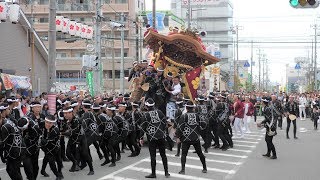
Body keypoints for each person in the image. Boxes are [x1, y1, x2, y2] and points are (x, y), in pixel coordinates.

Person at [139, 98, 170, 178]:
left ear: (146, 106)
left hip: (152, 138)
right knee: (163, 155)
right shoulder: (159, 112)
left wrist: (141, 138)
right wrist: (162, 131)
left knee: (153, 156)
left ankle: (153, 173)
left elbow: (142, 128)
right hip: (161, 136)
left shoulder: (145, 115)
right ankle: (166, 172)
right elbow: (164, 123)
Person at [175, 101, 207, 174]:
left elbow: (180, 128)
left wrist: (178, 136)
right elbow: (203, 124)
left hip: (186, 138)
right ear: (193, 108)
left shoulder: (184, 116)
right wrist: (199, 130)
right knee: (200, 154)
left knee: (184, 154)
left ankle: (183, 170)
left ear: (186, 107)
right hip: (195, 138)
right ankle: (204, 168)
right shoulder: (197, 115)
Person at [0, 102, 25, 180]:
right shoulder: (7, 121)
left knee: (12, 171)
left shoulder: (5, 125)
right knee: (14, 171)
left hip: (14, 151)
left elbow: (2, 143)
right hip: (17, 149)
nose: (9, 110)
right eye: (8, 109)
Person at [39, 115, 64, 180]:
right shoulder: (41, 124)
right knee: (50, 161)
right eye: (46, 122)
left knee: (58, 160)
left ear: (53, 123)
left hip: (54, 147)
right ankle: (57, 175)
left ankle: (59, 172)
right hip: (45, 147)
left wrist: (40, 139)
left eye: (50, 123)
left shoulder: (55, 130)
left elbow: (47, 142)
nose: (47, 124)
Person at [61, 106, 82, 172]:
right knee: (68, 153)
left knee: (78, 153)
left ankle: (79, 164)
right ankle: (75, 163)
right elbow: (64, 129)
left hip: (79, 139)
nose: (65, 115)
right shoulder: (67, 120)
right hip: (72, 139)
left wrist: (62, 133)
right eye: (64, 113)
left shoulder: (76, 120)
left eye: (66, 113)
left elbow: (73, 132)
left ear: (71, 113)